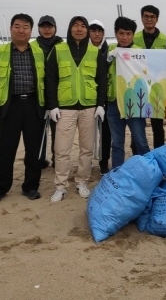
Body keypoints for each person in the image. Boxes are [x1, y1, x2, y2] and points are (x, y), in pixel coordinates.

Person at [0, 13, 45, 203]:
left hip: (34, 106)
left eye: (25, 27)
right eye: (17, 26)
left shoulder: (38, 52)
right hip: (10, 107)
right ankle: (0, 188)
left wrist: (50, 106)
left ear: (31, 30)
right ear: (11, 29)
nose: (21, 30)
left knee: (34, 150)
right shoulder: (0, 51)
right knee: (5, 149)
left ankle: (31, 186)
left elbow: (47, 80)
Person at [46, 16, 107, 202]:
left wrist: (101, 105)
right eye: (75, 25)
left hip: (89, 107)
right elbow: (50, 79)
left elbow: (102, 80)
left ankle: (82, 182)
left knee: (86, 149)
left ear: (87, 30)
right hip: (65, 108)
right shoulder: (58, 50)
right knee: (62, 149)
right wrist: (52, 106)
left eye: (83, 26)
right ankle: (61, 186)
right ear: (70, 28)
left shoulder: (95, 52)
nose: (79, 29)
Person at [106, 16, 150, 168]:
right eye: (121, 33)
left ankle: (146, 170)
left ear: (133, 35)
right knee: (117, 142)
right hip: (113, 103)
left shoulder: (140, 53)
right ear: (115, 33)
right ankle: (117, 173)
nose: (125, 37)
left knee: (140, 141)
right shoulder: (110, 52)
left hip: (135, 103)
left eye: (128, 34)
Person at [133, 5, 166, 149]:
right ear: (142, 18)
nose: (149, 19)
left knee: (158, 127)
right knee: (137, 125)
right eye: (146, 16)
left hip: (157, 89)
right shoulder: (134, 37)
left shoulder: (165, 40)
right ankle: (137, 154)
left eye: (152, 17)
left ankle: (158, 153)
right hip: (138, 88)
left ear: (157, 19)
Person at [35, 15, 63, 169]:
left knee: (57, 130)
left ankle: (56, 159)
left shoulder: (62, 46)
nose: (46, 29)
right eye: (43, 26)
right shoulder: (33, 46)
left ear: (55, 28)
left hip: (57, 95)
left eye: (49, 26)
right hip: (38, 94)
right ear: (39, 28)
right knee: (39, 130)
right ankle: (39, 159)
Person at [89, 19, 112, 174]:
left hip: (106, 98)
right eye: (94, 30)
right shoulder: (83, 50)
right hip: (88, 97)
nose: (97, 34)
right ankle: (86, 162)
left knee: (106, 133)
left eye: (100, 31)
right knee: (88, 134)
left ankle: (104, 163)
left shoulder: (110, 51)